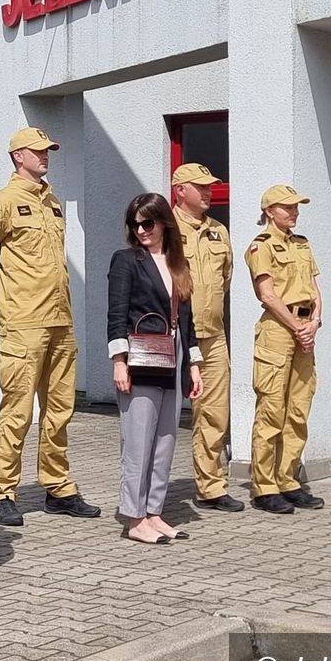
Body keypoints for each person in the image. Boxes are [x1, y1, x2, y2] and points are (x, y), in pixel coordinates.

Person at [0, 126, 99, 527]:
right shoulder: (3, 204)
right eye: (38, 151)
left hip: (59, 320)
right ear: (19, 157)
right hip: (24, 323)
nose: (45, 155)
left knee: (60, 409)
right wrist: (3, 304)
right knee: (17, 411)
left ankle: (57, 486)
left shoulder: (52, 202)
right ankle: (2, 492)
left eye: (48, 150)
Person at [107, 193, 204, 544]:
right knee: (137, 441)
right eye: (135, 224)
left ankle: (154, 512)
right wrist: (119, 362)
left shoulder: (179, 263)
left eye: (147, 222)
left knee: (165, 438)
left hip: (173, 355)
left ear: (164, 222)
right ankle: (133, 519)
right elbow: (116, 313)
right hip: (141, 356)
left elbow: (187, 319)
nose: (141, 230)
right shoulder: (127, 260)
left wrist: (194, 364)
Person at [246, 185, 324, 514]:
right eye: (287, 207)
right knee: (271, 410)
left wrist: (315, 323)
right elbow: (267, 295)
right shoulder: (261, 246)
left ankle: (288, 479)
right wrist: (296, 327)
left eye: (296, 207)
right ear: (269, 211)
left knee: (298, 408)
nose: (294, 212)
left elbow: (315, 289)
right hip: (278, 330)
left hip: (305, 329)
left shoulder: (302, 244)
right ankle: (265, 486)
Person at [170, 163, 242, 513]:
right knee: (158, 416)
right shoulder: (163, 228)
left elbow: (224, 280)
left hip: (211, 336)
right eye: (200, 186)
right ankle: (149, 493)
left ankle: (211, 487)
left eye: (210, 185)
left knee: (214, 413)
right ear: (180, 190)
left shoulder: (218, 231)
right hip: (173, 336)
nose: (209, 191)